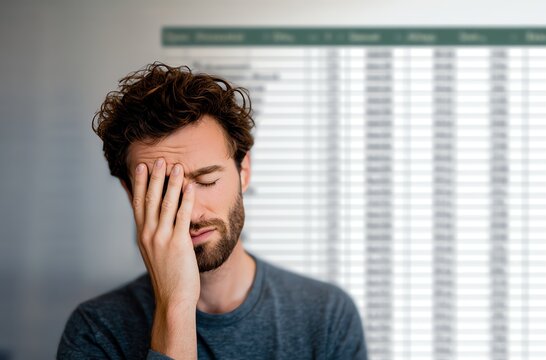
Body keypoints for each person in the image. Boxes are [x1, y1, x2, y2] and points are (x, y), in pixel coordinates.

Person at [57, 62, 367, 359]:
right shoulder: (96, 331)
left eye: (207, 181)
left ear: (243, 171)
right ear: (131, 193)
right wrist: (176, 305)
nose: (191, 214)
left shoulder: (327, 316)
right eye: (164, 190)